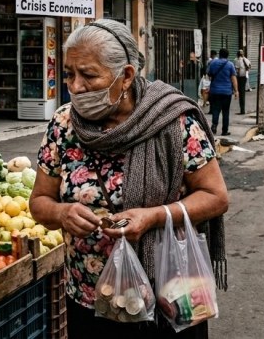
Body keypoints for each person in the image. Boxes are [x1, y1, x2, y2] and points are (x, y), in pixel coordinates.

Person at [29, 19, 228, 338]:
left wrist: (154, 217)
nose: (76, 86)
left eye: (89, 74)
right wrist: (61, 213)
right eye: (69, 74)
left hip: (169, 294)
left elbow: (216, 197)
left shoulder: (172, 121)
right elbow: (39, 202)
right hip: (92, 300)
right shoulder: (63, 125)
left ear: (126, 76)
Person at [206, 48, 238, 136]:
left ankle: (214, 126)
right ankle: (224, 130)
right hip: (227, 92)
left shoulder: (213, 63)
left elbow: (209, 74)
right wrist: (236, 91)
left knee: (215, 110)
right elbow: (233, 78)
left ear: (219, 54)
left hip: (215, 91)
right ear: (227, 55)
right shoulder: (230, 64)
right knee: (225, 111)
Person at [233, 49, 251, 115]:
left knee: (240, 93)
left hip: (239, 77)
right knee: (242, 93)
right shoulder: (246, 59)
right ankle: (242, 110)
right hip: (245, 77)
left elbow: (237, 70)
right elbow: (249, 67)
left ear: (237, 54)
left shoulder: (236, 60)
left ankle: (242, 110)